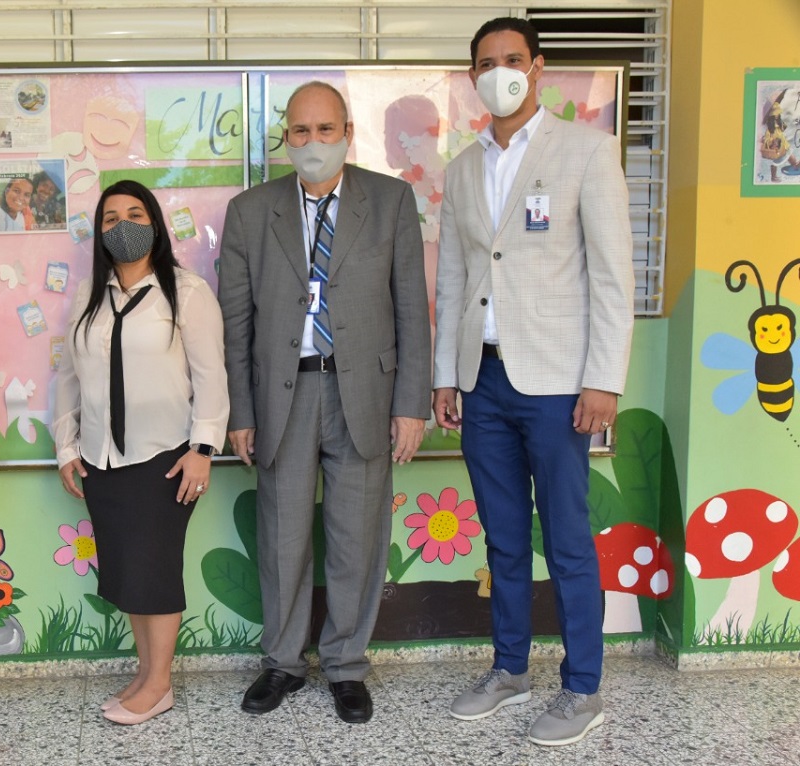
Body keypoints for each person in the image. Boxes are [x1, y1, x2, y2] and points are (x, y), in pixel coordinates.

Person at [433, 17, 635, 747]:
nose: (499, 73)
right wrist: (446, 376)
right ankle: (510, 669)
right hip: (482, 381)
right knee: (505, 538)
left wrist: (603, 380)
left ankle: (583, 688)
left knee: (569, 539)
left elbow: (613, 277)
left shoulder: (585, 151)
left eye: (512, 60)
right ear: (473, 77)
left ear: (538, 67)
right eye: (485, 63)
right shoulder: (461, 168)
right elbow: (454, 277)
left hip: (557, 383)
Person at [219, 81, 430, 724]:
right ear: (286, 137)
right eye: (300, 132)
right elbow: (236, 322)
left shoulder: (390, 201)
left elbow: (411, 309)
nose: (313, 143)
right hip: (283, 392)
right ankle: (282, 662)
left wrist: (411, 403)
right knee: (282, 536)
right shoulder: (251, 211)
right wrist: (241, 413)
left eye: (326, 130)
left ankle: (344, 665)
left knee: (356, 537)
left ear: (347, 132)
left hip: (363, 389)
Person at [53, 179, 229, 726]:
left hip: (166, 457)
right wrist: (65, 444)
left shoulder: (188, 292)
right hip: (102, 458)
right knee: (129, 571)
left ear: (153, 222)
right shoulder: (88, 296)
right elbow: (67, 378)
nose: (122, 225)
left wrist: (203, 449)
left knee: (154, 571)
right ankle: (145, 672)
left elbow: (212, 378)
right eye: (109, 218)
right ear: (99, 233)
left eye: (134, 213)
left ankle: (159, 684)